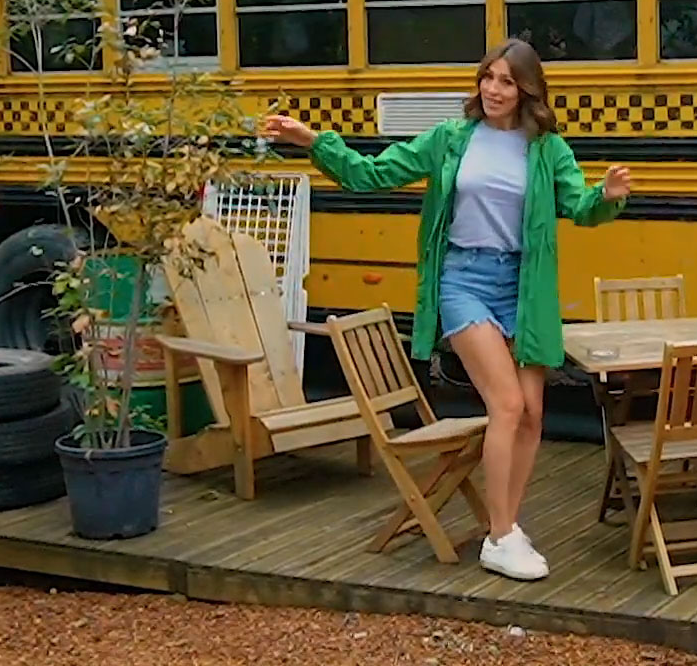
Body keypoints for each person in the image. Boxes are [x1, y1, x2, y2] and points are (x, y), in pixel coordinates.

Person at [263, 38, 631, 580]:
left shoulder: (548, 149)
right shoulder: (451, 139)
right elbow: (372, 174)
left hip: (523, 285)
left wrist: (607, 196)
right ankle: (499, 537)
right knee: (506, 404)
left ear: (527, 90)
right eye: (488, 77)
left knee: (533, 413)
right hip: (463, 278)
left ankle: (507, 525)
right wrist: (313, 141)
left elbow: (579, 206)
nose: (494, 89)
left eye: (507, 81)